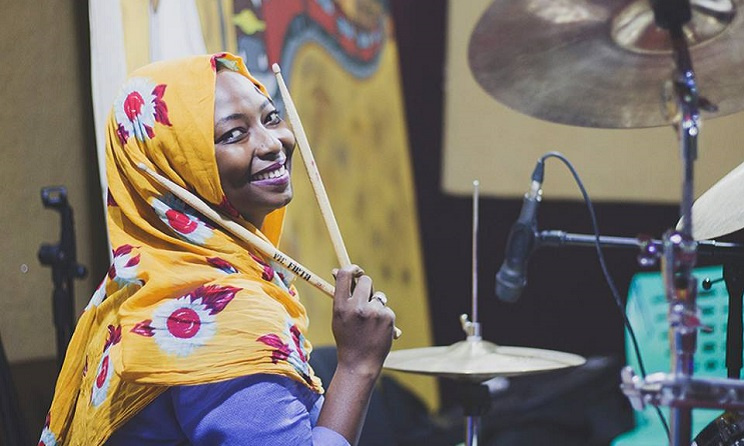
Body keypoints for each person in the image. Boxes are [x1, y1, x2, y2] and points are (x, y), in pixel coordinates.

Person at [38, 53, 396, 446]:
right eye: (233, 134)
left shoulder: (143, 286)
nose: (272, 143)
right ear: (175, 167)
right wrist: (357, 365)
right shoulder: (216, 317)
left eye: (271, 118)